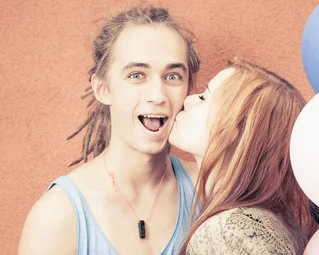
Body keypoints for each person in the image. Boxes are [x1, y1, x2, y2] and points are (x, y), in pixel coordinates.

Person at [19, 5, 201, 255]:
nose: (157, 96)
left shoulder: (209, 190)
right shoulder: (57, 217)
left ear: (188, 88)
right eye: (137, 75)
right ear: (102, 88)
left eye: (172, 77)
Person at [168, 57, 318, 254]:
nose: (188, 100)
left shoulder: (225, 233)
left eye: (204, 97)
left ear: (234, 130)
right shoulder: (274, 218)